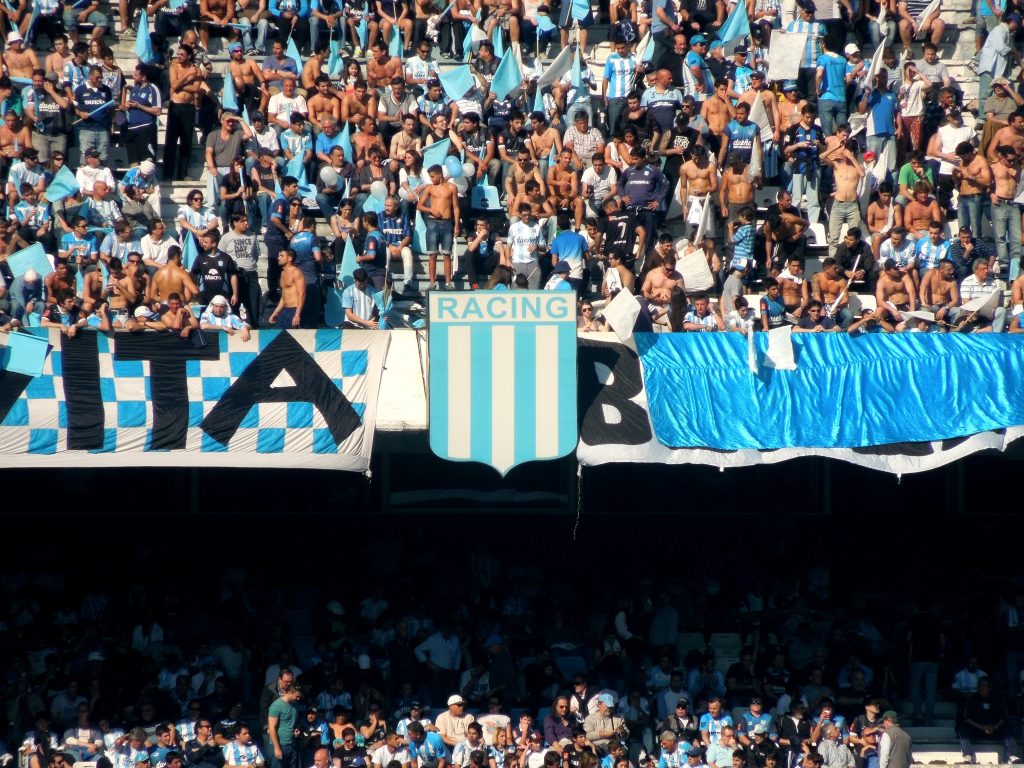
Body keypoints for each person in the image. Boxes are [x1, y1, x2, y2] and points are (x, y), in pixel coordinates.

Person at [416, 163, 459, 290]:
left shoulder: (452, 187)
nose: (431, 179)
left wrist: (457, 224)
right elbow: (419, 205)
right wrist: (431, 210)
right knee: (432, 254)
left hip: (447, 222)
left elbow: (456, 207)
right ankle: (432, 283)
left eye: (433, 176)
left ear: (440, 175)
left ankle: (448, 282)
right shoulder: (429, 188)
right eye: (430, 177)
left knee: (446, 254)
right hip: (432, 222)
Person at [268, 249, 305, 329]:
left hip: (294, 310)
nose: (278, 258)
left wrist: (297, 314)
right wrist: (275, 312)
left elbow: (302, 294)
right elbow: (284, 296)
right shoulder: (282, 273)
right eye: (279, 256)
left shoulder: (296, 272)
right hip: (284, 310)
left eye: (282, 256)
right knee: (279, 336)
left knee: (292, 339)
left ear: (289, 258)